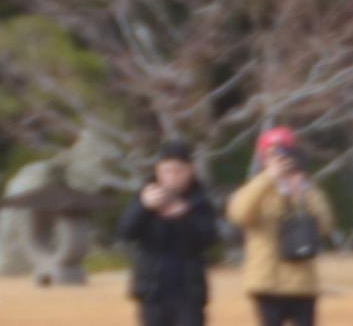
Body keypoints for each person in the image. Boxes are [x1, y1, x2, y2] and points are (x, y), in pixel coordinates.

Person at [227, 127, 335, 326]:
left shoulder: (307, 189)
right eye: (272, 154)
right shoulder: (256, 188)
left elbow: (325, 226)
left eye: (284, 153)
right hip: (267, 281)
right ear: (262, 158)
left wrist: (303, 194)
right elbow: (239, 214)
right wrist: (268, 178)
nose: (279, 160)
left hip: (302, 283)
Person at [117, 140, 221, 326]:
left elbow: (210, 238)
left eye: (179, 170)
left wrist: (185, 215)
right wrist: (143, 208)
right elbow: (126, 232)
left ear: (190, 170)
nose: (173, 176)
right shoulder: (145, 194)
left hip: (189, 290)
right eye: (167, 171)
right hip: (152, 290)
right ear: (158, 171)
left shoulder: (200, 199)